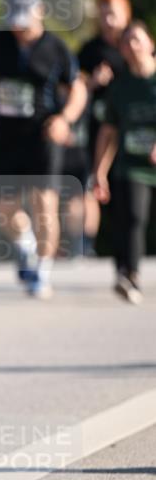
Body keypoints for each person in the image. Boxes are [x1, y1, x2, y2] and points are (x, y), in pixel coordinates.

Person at [0, 0, 87, 299]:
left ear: (40, 12)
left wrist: (65, 119)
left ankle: (43, 270)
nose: (19, 26)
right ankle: (26, 245)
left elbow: (77, 89)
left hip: (42, 134)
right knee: (4, 209)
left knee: (44, 204)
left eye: (25, 18)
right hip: (5, 135)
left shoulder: (56, 48)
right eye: (14, 19)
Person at [93, 20, 156, 304]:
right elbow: (109, 132)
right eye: (126, 41)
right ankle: (130, 276)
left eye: (137, 40)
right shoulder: (120, 88)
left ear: (150, 44)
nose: (132, 46)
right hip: (132, 166)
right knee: (133, 218)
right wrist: (100, 172)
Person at [73, 0, 132, 254]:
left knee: (128, 185)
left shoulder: (134, 42)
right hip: (97, 125)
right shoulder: (90, 49)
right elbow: (71, 85)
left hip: (131, 127)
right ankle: (85, 247)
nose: (108, 20)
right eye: (104, 14)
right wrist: (92, 82)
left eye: (113, 14)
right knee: (90, 183)